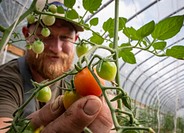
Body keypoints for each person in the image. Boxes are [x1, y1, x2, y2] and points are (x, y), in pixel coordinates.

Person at [0, 0, 113, 132]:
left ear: (75, 40)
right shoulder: (7, 78)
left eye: (65, 37)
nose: (56, 48)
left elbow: (109, 100)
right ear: (26, 34)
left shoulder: (79, 79)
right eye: (45, 36)